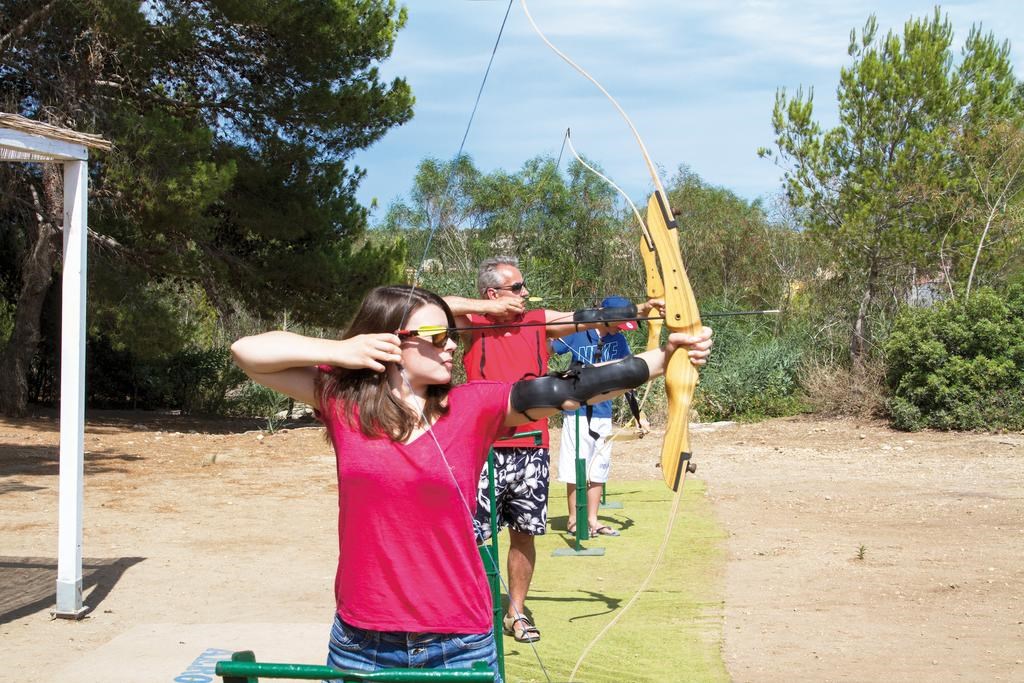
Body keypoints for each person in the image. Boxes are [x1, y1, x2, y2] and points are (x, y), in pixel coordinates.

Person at [230, 284, 713, 679]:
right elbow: (248, 351)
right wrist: (340, 350)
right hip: (362, 639)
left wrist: (663, 356)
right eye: (437, 336)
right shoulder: (342, 402)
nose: (452, 346)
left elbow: (571, 389)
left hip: (459, 641)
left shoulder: (474, 405)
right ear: (390, 339)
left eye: (452, 336)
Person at [443, 258, 663, 644]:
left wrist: (641, 311)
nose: (525, 293)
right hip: (482, 447)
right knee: (468, 537)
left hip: (531, 446)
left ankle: (515, 612)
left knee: (524, 534)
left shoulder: (538, 320)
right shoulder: (471, 325)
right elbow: (427, 306)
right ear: (492, 293)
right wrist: (488, 310)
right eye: (517, 288)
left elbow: (588, 318)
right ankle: (468, 612)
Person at [551, 295, 637, 537]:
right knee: (574, 466)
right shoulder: (578, 333)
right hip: (576, 411)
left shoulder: (618, 339)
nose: (621, 329)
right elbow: (549, 347)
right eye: (618, 322)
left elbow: (628, 372)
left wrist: (639, 414)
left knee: (597, 468)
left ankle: (592, 519)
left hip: (602, 412)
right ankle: (573, 519)